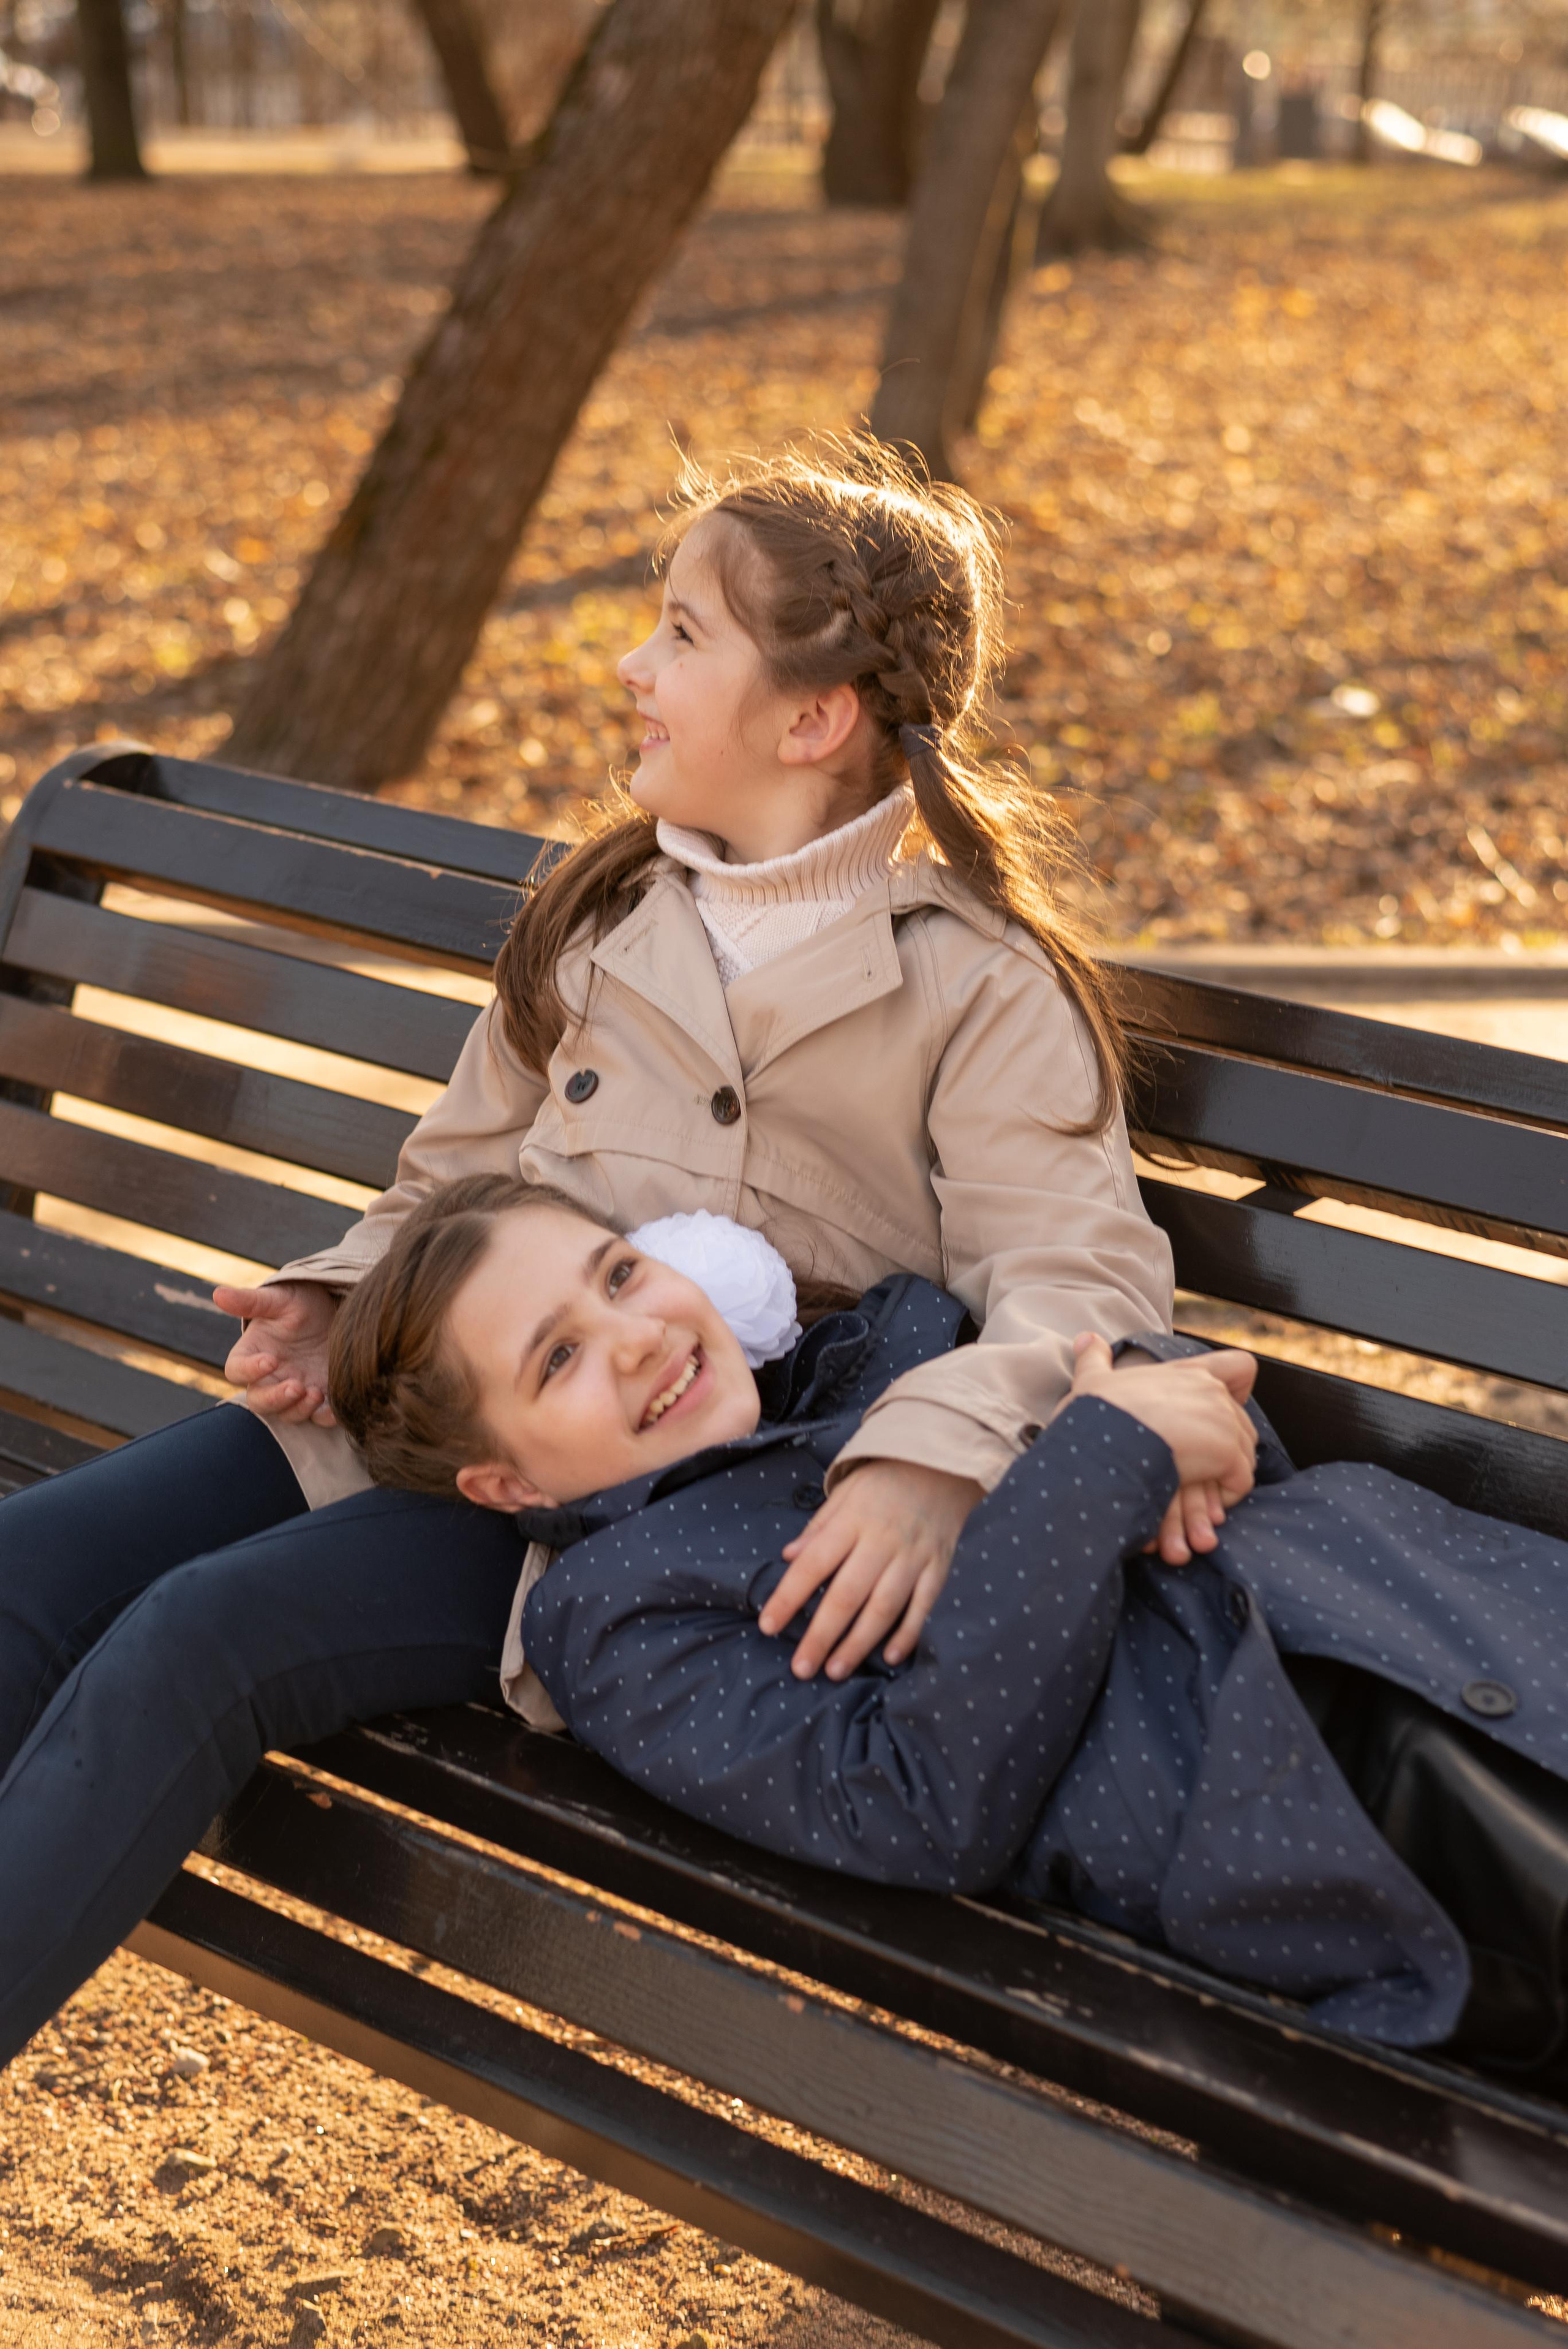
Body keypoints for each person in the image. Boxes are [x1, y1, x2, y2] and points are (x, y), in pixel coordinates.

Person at [0, 438, 1175, 2067]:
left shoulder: (972, 990)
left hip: (656, 1499)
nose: (633, 663)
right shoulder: (605, 914)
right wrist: (349, 1296)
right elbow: (462, 1172)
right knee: (30, 1574)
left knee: (198, 1646)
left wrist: (930, 1459)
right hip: (450, 1404)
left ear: (812, 717)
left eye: (684, 633)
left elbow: (1083, 1280)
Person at [336, 1176, 1568, 2075]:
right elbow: (914, 1800)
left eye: (618, 1274)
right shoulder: (620, 1620)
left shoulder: (886, 1342)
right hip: (1309, 1790)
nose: (639, 1332)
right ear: (509, 1486)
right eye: (557, 1359)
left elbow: (1155, 1397)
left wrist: (1165, 1419)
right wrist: (1106, 1459)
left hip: (1410, 1589)